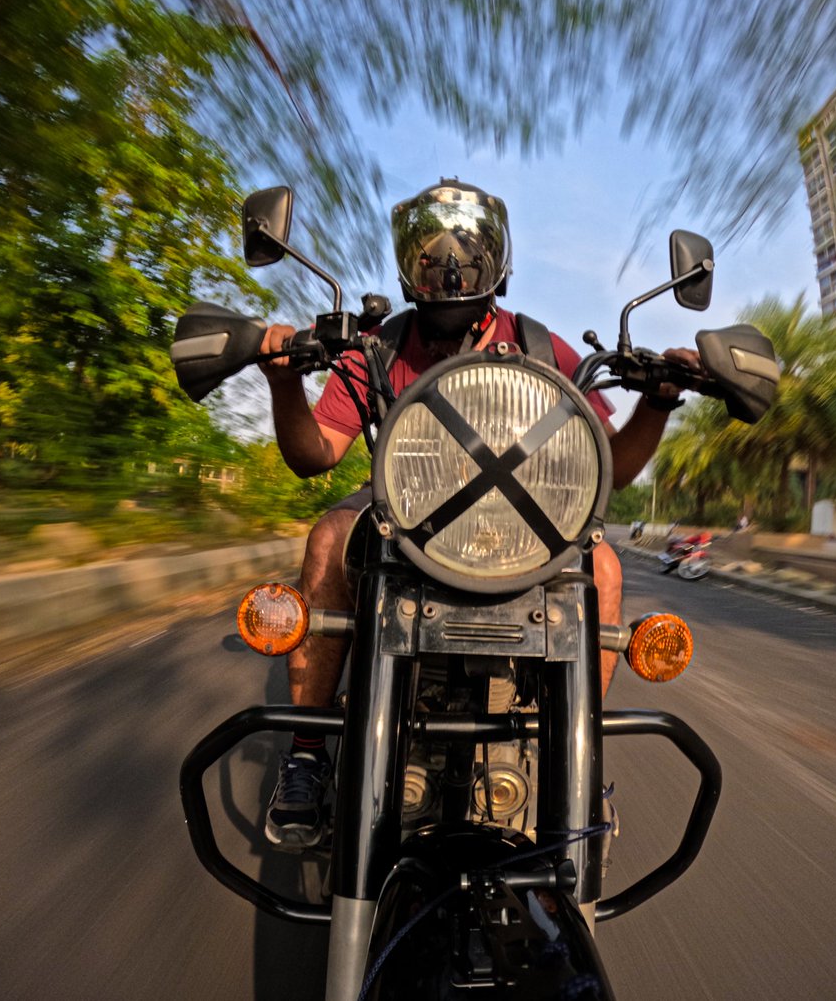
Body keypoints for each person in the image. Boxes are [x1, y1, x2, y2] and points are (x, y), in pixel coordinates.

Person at [257, 178, 700, 849]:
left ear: (496, 255)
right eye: (431, 248)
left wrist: (658, 403)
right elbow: (315, 454)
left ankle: (581, 761)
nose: (450, 260)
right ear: (410, 262)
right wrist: (284, 379)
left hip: (523, 521)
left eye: (466, 245)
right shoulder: (377, 344)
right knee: (327, 537)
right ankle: (308, 753)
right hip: (401, 511)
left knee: (602, 565)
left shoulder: (544, 349)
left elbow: (604, 466)